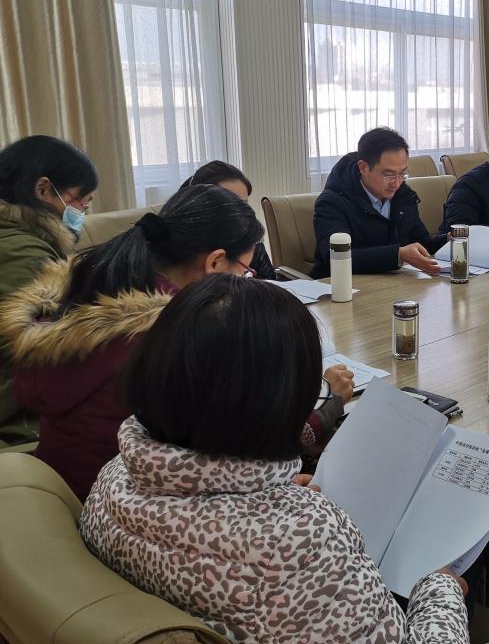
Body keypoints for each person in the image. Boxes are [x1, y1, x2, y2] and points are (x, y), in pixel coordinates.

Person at [79, 275, 470, 643]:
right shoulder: (301, 542)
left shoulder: (113, 477)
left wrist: (272, 500)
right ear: (275, 404)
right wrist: (440, 591)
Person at [0, 185, 353, 501]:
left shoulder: (100, 283)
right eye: (245, 271)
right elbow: (236, 449)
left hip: (66, 488)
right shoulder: (177, 335)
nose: (246, 280)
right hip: (132, 499)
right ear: (215, 262)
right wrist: (324, 410)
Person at [0, 136, 97, 447]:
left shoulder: (17, 239)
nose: (82, 211)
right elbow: (40, 347)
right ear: (43, 189)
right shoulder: (22, 252)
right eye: (81, 201)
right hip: (19, 423)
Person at [312, 128, 448, 277]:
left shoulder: (402, 195)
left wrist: (449, 239)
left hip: (392, 283)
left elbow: (422, 242)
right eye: (388, 174)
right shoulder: (332, 202)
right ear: (363, 167)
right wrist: (398, 255)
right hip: (341, 285)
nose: (396, 183)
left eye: (402, 173)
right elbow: (337, 257)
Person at [179, 160, 275, 279]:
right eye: (230, 204)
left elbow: (270, 280)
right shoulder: (186, 248)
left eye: (244, 204)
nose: (240, 213)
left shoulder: (249, 238)